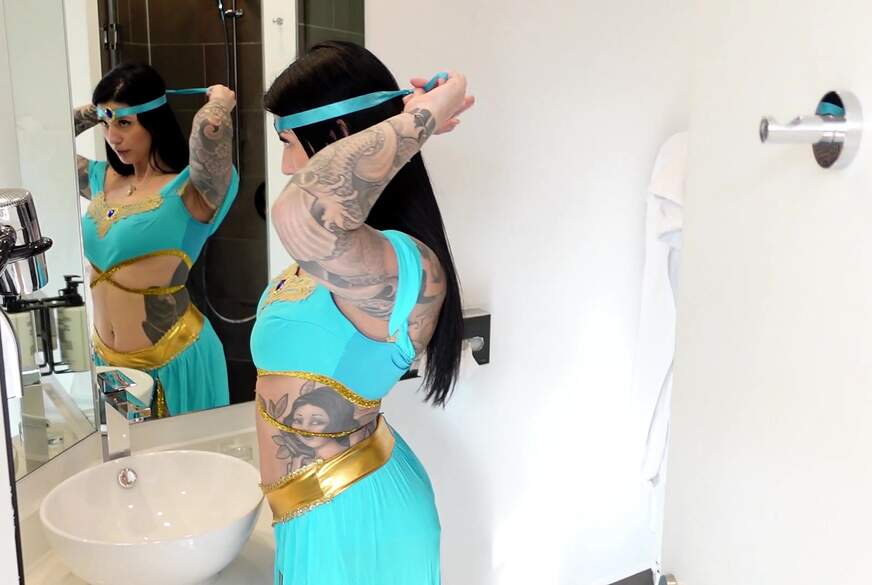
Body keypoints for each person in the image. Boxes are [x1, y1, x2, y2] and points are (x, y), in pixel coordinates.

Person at [251, 41, 474, 584]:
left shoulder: (404, 266)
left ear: (337, 135)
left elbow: (300, 213)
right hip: (316, 512)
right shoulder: (348, 256)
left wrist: (429, 112)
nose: (285, 165)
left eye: (288, 143)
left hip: (355, 516)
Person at [73, 63, 238, 416]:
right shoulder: (102, 179)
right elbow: (39, 145)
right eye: (105, 123)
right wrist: (98, 110)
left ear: (154, 120)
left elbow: (208, 133)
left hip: (174, 362)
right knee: (121, 450)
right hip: (108, 362)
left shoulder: (191, 190)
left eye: (125, 123)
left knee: (179, 452)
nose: (112, 137)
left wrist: (219, 104)